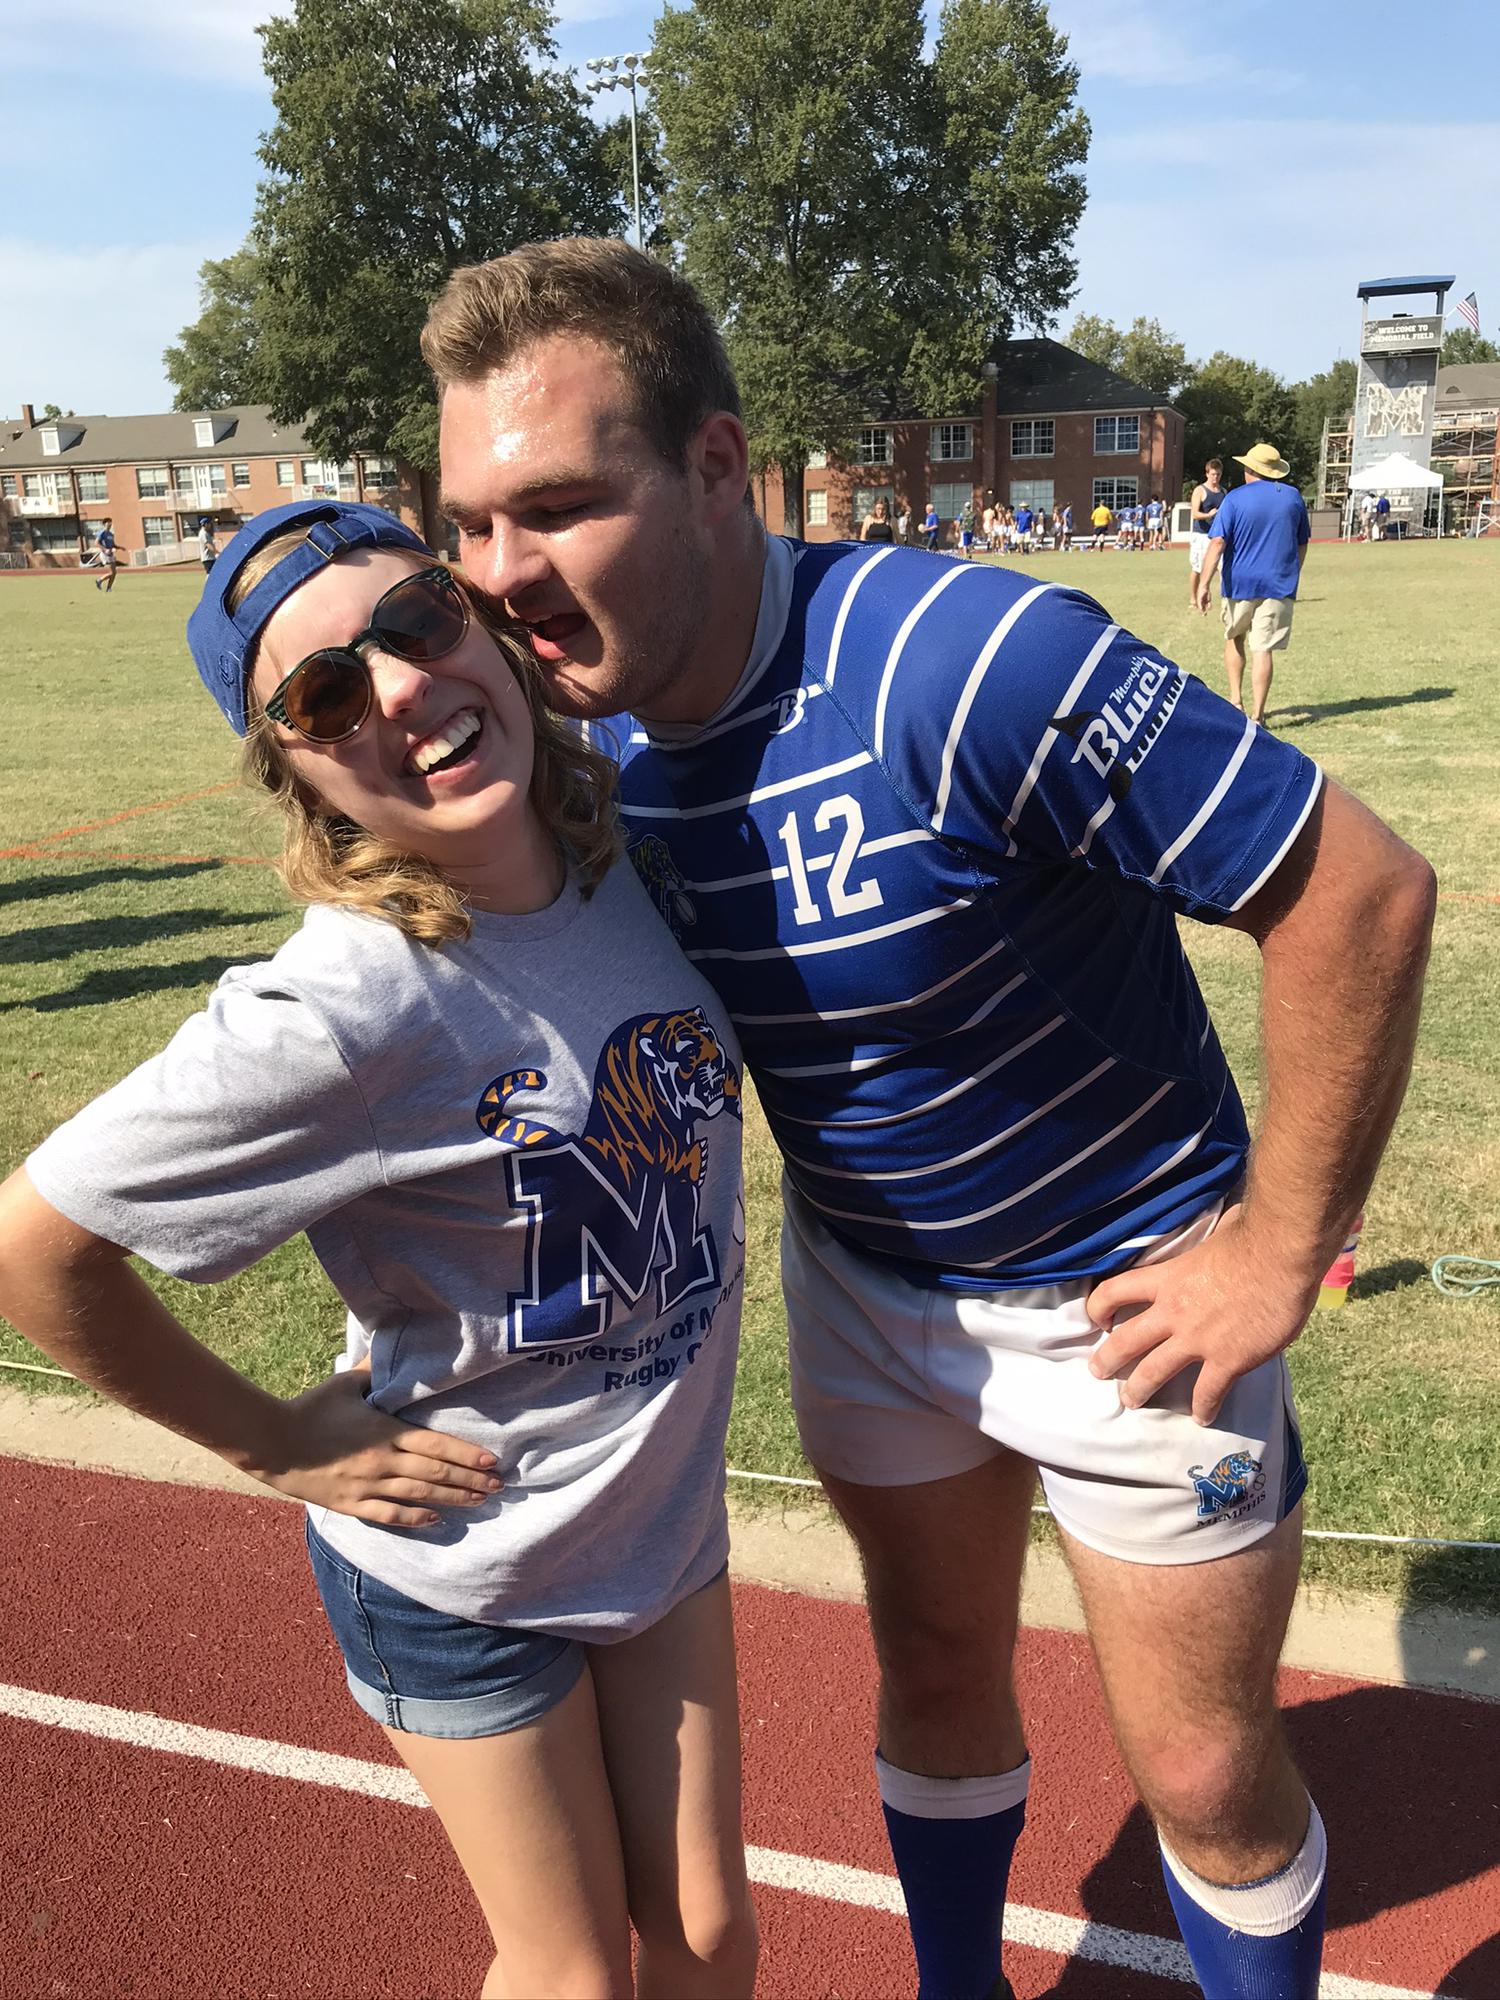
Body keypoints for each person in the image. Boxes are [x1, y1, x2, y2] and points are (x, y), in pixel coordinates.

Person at [428, 238, 1435, 2000]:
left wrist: (1280, 1252)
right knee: (941, 1668)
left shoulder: (972, 661)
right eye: (470, 522)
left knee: (1203, 1772)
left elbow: (1356, 893)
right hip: (871, 1291)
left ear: (720, 468)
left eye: (558, 507)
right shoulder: (583, 753)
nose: (502, 574)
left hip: (1134, 1302)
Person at [0, 497, 758, 2000]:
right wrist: (277, 1445)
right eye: (328, 693)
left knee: (710, 1940)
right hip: (455, 1570)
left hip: (653, 1530)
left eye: (415, 622)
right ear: (298, 766)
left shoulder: (626, 848)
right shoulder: (344, 1008)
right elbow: (36, 1248)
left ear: (482, 623)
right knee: (569, 1973)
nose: (400, 689)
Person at [1195, 441, 1312, 725]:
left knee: (1234, 637)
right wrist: (1292, 571)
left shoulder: (1234, 498)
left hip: (1240, 583)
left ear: (1250, 469)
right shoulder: (1293, 497)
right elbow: (1302, 543)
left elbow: (1218, 541)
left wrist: (1203, 583)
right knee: (1263, 648)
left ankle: (1236, 701)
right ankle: (1258, 715)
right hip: (1279, 584)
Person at [1189, 459, 1226, 607]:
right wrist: (1209, 515)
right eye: (1212, 474)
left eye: (1217, 474)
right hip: (1201, 535)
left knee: (1222, 567)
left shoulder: (1223, 492)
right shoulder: (1200, 490)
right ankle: (1193, 599)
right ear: (1207, 473)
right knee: (1198, 569)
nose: (1215, 477)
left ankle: (1222, 598)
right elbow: (1195, 514)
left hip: (1218, 536)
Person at [93, 517, 117, 592]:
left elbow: (113, 544)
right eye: (108, 522)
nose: (110, 524)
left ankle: (108, 588)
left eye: (110, 522)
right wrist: (105, 550)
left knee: (114, 573)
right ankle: (99, 580)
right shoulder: (102, 532)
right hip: (105, 554)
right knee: (112, 572)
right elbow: (96, 543)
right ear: (104, 524)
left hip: (111, 554)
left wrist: (119, 547)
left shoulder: (111, 534)